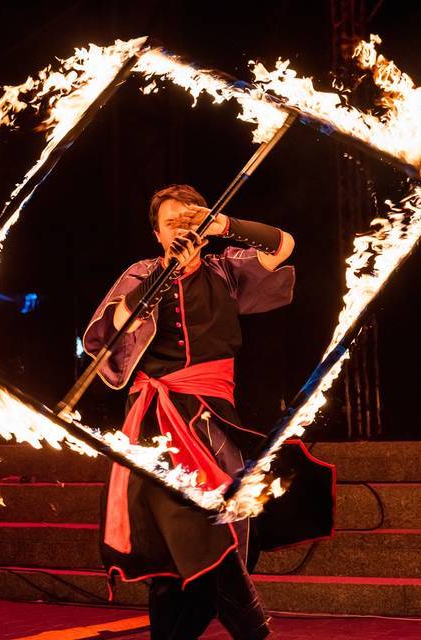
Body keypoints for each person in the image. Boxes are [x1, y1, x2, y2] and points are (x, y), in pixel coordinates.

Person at [83, 184, 336, 640]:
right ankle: (251, 632)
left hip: (212, 416)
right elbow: (107, 331)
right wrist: (161, 282)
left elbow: (282, 245)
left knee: (231, 528)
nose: (179, 229)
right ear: (156, 234)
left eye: (188, 220)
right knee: (173, 536)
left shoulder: (225, 269)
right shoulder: (140, 274)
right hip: (154, 426)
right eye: (170, 223)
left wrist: (222, 224)